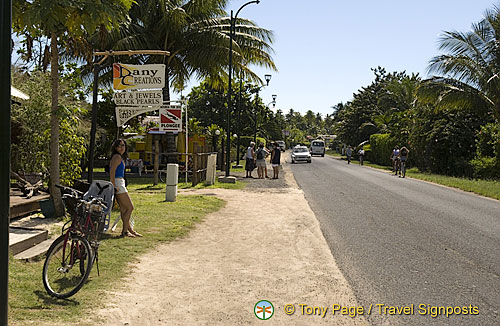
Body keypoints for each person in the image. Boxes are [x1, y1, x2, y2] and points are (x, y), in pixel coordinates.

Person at [109, 139, 142, 238]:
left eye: (123, 145)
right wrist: (114, 185)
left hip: (120, 182)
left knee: (124, 209)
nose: (122, 148)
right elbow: (112, 172)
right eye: (119, 146)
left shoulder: (119, 157)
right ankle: (125, 231)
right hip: (118, 183)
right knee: (130, 207)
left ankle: (129, 230)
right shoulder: (117, 157)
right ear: (115, 147)